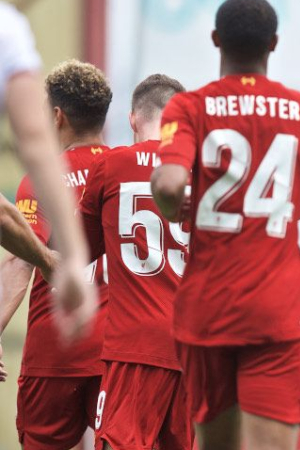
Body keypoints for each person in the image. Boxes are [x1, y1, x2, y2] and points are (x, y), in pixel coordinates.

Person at [150, 1, 300, 449]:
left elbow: (168, 184)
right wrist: (297, 193)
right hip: (276, 312)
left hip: (206, 310)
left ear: (216, 40)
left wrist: (171, 204)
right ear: (273, 45)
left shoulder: (187, 107)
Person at [0, 58, 111, 449]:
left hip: (57, 350)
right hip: (116, 353)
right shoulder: (124, 172)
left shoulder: (45, 179)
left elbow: (20, 257)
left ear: (58, 115)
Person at [80, 74, 193, 450]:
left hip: (135, 346)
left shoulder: (112, 166)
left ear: (132, 119)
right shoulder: (202, 177)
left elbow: (75, 250)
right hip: (194, 350)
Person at [0, 1, 97, 339]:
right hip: (119, 353)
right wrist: (67, 258)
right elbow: (34, 141)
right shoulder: (7, 29)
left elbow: (18, 258)